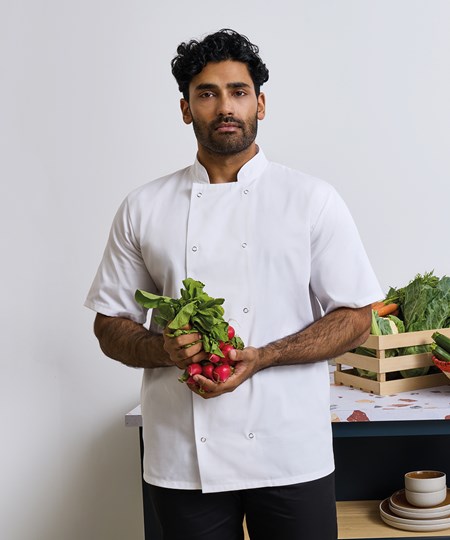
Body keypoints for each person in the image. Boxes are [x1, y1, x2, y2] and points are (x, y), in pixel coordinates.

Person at [85, 29, 383, 540]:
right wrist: (162, 349)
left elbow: (357, 316)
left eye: (238, 92)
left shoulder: (312, 199)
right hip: (183, 454)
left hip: (289, 449)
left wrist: (264, 356)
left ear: (259, 104)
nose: (225, 106)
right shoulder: (143, 207)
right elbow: (109, 324)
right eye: (207, 93)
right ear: (186, 109)